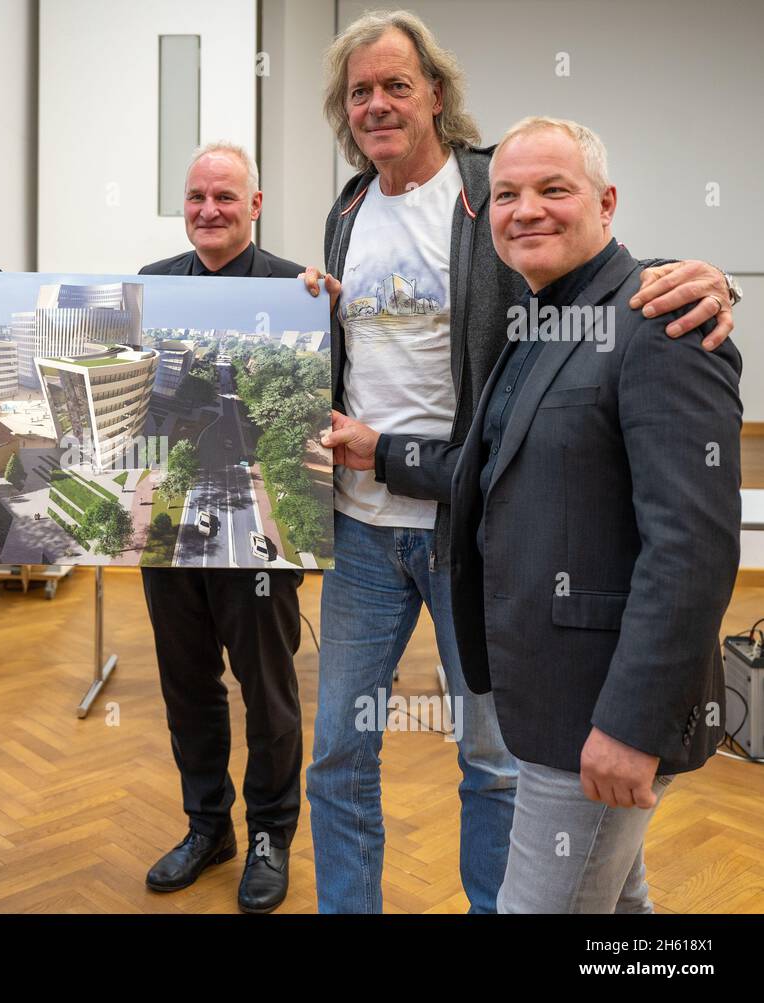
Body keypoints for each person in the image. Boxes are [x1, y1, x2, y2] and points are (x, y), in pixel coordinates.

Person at [303, 9, 741, 914]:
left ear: (436, 95)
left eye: (397, 84)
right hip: (366, 522)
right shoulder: (346, 210)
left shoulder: (487, 188)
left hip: (484, 532)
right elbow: (565, 281)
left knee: (498, 761)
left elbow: (592, 268)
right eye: (360, 92)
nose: (378, 104)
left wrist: (709, 276)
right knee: (342, 751)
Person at [453, 117, 739, 911]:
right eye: (507, 194)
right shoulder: (539, 319)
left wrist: (631, 726)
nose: (526, 209)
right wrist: (377, 449)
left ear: (606, 203)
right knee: (617, 908)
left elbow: (692, 551)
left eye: (554, 189)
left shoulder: (662, 319)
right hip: (548, 701)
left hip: (597, 713)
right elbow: (493, 469)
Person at [138, 143, 309, 914]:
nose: (210, 209)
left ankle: (270, 833)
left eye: (225, 197)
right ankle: (208, 826)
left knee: (267, 692)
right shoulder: (148, 286)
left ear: (256, 204)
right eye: (197, 195)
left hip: (256, 525)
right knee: (187, 686)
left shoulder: (297, 288)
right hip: (171, 522)